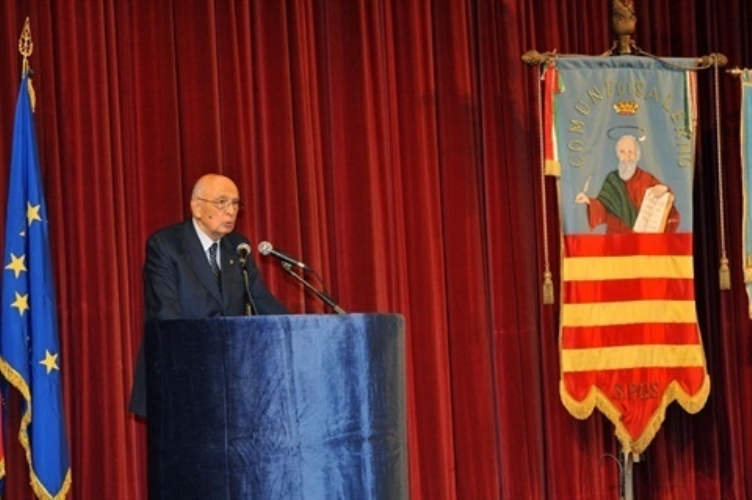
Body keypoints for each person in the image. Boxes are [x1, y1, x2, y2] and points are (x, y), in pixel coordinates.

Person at [129, 173, 288, 417]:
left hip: (229, 379)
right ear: (197, 207)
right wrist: (207, 359)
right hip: (180, 376)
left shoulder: (238, 246)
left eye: (235, 203)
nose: (231, 211)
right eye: (222, 202)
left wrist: (296, 330)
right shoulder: (166, 245)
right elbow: (166, 315)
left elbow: (260, 300)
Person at [575, 134, 680, 233]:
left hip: (642, 239)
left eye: (630, 152)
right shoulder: (612, 179)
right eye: (622, 152)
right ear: (617, 154)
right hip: (616, 237)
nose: (627, 157)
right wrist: (588, 201)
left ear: (637, 155)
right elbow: (603, 209)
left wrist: (664, 189)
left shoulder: (646, 178)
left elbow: (666, 203)